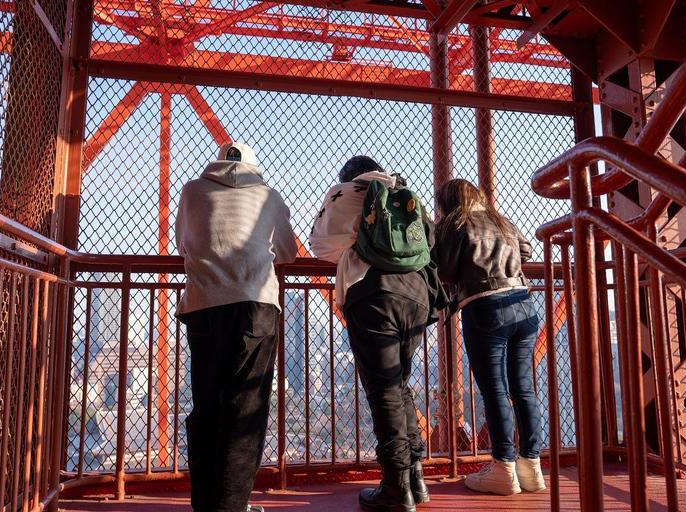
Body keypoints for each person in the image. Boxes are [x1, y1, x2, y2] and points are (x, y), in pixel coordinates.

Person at [310, 156, 446, 512]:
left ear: (348, 177)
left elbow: (319, 245)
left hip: (373, 294)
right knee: (399, 385)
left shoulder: (344, 193)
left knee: (383, 391)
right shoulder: (404, 192)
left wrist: (355, 245)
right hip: (417, 296)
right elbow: (429, 242)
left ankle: (396, 489)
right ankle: (415, 479)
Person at [175, 142, 297, 512]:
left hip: (203, 305)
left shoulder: (192, 191)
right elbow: (288, 252)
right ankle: (231, 506)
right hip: (255, 306)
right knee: (245, 409)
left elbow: (183, 245)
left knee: (206, 405)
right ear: (254, 167)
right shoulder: (269, 196)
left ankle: (206, 504)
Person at [433, 178, 545, 496]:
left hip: (486, 307)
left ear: (448, 202)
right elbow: (526, 250)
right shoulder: (501, 221)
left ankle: (503, 468)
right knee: (524, 389)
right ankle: (531, 467)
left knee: (495, 391)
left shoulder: (457, 222)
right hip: (524, 306)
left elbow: (444, 270)